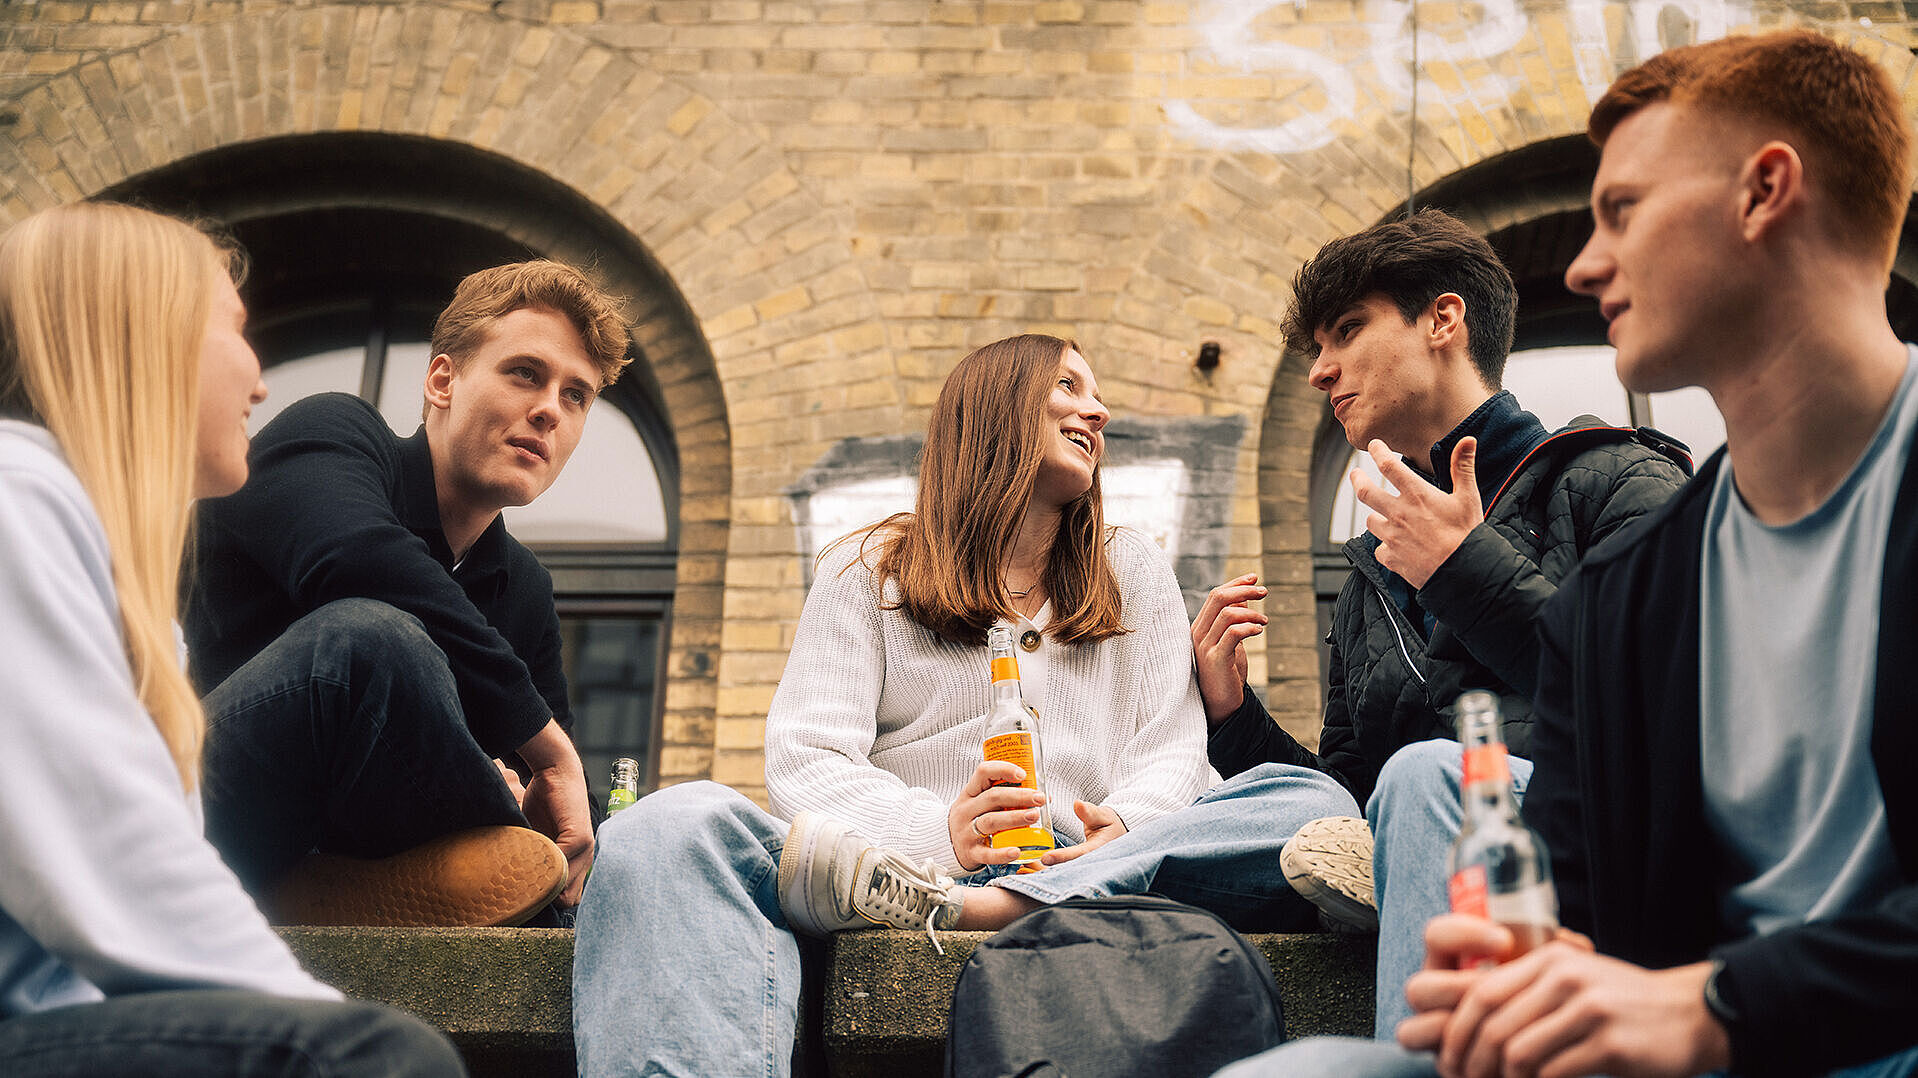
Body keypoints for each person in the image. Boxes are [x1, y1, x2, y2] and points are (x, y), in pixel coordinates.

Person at [1215, 28, 1918, 1078]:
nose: (1585, 264)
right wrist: (1523, 966)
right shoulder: (1640, 587)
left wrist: (1715, 1005)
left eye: (1621, 211)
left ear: (1764, 191)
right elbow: (1581, 893)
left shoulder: (1615, 489)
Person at [573, 334, 1358, 1077]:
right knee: (663, 825)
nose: (1099, 411)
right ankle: (951, 894)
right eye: (1069, 386)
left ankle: (994, 907)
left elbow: (1172, 754)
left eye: (1098, 396)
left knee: (1309, 799)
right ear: (997, 407)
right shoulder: (867, 569)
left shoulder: (1134, 568)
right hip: (908, 866)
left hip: (1102, 863)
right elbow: (806, 761)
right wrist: (941, 833)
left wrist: (1125, 828)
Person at [1194, 209, 1687, 1033]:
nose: (1320, 371)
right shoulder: (1372, 570)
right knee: (1292, 798)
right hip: (1422, 856)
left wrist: (1468, 572)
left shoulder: (1616, 479)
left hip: (1597, 852)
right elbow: (1350, 793)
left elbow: (1650, 699)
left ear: (1444, 321)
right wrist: (1232, 719)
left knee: (1429, 771)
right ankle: (1034, 880)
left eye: (1346, 331)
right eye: (1316, 348)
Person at [0, 201, 464, 1076]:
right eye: (239, 332)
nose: (260, 382)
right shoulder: (17, 497)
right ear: (144, 337)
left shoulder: (129, 600)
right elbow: (120, 868)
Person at [183, 259, 632, 926]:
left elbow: (554, 810)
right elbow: (353, 559)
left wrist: (531, 791)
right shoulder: (334, 435)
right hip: (203, 803)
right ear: (442, 380)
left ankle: (357, 887)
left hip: (374, 853)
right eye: (525, 374)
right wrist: (540, 755)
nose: (548, 411)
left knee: (589, 851)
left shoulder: (523, 588)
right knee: (368, 643)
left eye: (576, 396)